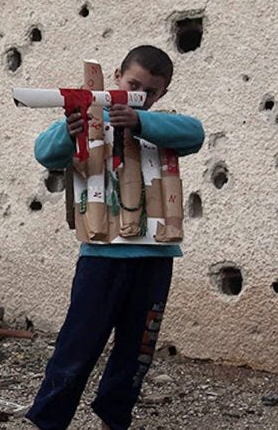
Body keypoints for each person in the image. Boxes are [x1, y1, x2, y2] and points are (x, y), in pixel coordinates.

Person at [25, 45, 204, 430]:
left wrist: (139, 122)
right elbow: (45, 152)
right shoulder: (88, 120)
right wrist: (70, 129)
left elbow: (195, 133)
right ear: (118, 76)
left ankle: (113, 418)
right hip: (102, 256)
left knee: (136, 351)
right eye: (133, 84)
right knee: (77, 346)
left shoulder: (160, 127)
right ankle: (48, 421)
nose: (140, 95)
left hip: (156, 259)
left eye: (150, 92)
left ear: (162, 95)